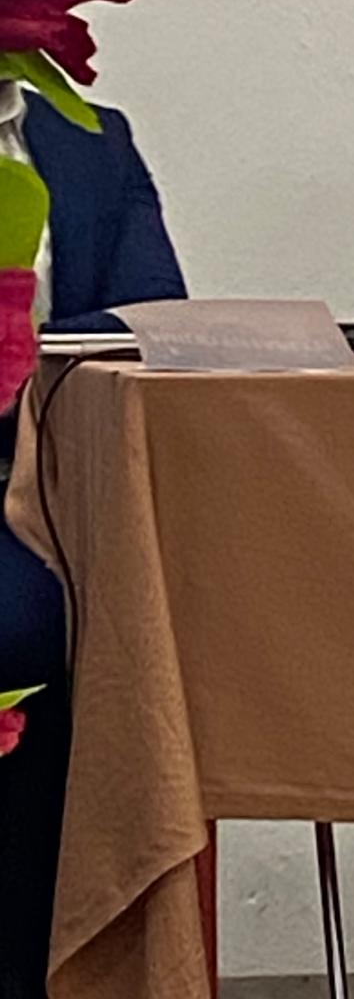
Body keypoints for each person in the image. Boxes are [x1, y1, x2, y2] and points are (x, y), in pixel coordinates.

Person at [0, 79, 185, 999]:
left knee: (60, 627)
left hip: (42, 498)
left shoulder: (91, 139)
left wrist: (25, 352)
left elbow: (152, 316)